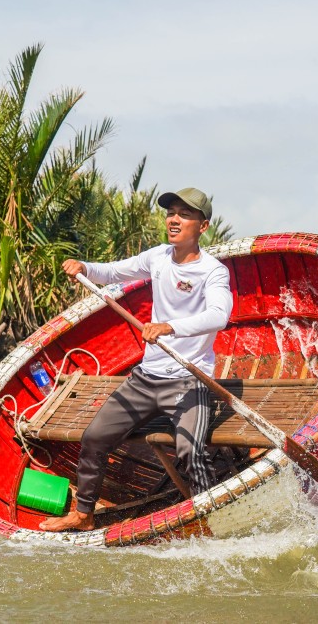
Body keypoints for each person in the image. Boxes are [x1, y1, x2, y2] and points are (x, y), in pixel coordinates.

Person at [39, 187, 233, 533]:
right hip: (146, 379)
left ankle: (209, 519)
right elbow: (114, 272)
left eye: (184, 215)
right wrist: (85, 266)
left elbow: (219, 316)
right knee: (95, 437)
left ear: (202, 226)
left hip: (189, 381)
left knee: (189, 451)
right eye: (171, 212)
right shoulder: (158, 257)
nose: (174, 219)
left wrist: (168, 327)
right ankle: (84, 515)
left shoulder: (213, 272)